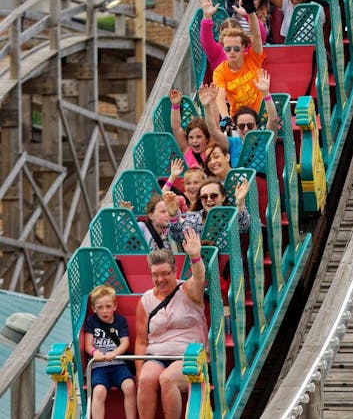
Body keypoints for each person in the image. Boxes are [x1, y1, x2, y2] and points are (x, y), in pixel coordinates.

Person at [134, 233, 208, 419]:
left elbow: (199, 278)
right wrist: (139, 371)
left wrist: (195, 257)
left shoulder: (188, 291)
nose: (160, 279)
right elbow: (141, 341)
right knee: (146, 379)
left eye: (165, 273)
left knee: (167, 379)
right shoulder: (146, 300)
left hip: (188, 356)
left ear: (174, 271)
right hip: (157, 354)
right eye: (155, 275)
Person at [199, 73, 279, 166]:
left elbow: (273, 119)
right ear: (236, 128)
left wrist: (266, 93)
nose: (245, 129)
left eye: (250, 125)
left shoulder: (265, 140)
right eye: (241, 126)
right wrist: (207, 107)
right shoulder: (233, 143)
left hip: (261, 180)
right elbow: (213, 131)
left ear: (256, 126)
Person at [84, 285, 137, 419]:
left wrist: (115, 353)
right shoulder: (91, 321)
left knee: (129, 386)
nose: (105, 311)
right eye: (100, 307)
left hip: (118, 364)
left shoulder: (120, 321)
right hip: (99, 366)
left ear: (115, 306)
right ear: (93, 308)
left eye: (108, 306)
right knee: (99, 391)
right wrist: (95, 352)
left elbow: (125, 342)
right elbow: (87, 345)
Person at [212, 2, 265, 120]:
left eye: (236, 49)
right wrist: (226, 118)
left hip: (261, 115)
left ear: (243, 47)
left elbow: (257, 36)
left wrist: (251, 14)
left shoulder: (253, 58)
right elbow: (220, 97)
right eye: (228, 49)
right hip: (238, 120)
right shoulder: (220, 71)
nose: (232, 52)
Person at [164, 177, 250, 242]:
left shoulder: (231, 215)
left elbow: (244, 227)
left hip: (230, 263)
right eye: (204, 197)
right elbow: (178, 236)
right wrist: (173, 216)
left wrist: (239, 202)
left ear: (223, 197)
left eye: (213, 196)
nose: (209, 200)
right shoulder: (194, 217)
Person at [168, 91, 211, 169]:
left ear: (207, 138)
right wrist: (175, 105)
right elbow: (176, 128)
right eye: (191, 137)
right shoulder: (187, 149)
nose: (194, 141)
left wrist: (207, 106)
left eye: (199, 137)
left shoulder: (211, 150)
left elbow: (214, 128)